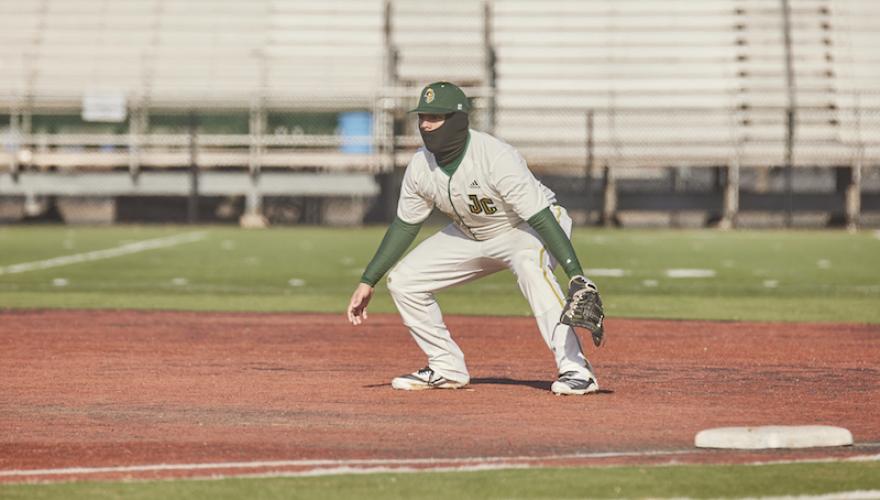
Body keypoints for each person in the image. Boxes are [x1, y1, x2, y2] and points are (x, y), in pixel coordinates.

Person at [346, 82, 603, 396]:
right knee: (404, 280)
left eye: (435, 117)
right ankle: (445, 366)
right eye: (422, 116)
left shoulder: (494, 156)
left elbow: (539, 215)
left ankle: (576, 370)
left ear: (457, 120)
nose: (425, 124)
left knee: (530, 266)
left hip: (526, 227)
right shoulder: (420, 165)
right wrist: (368, 280)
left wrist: (575, 272)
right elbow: (404, 226)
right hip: (470, 233)